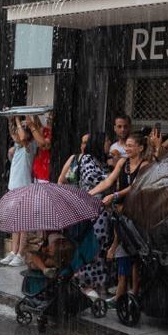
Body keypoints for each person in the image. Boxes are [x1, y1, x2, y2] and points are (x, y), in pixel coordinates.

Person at [91, 132, 150, 308]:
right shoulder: (123, 163)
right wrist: (90, 193)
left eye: (131, 145)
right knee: (122, 253)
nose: (127, 148)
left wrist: (115, 195)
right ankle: (120, 295)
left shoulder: (145, 165)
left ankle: (135, 294)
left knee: (137, 256)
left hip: (139, 215)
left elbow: (135, 186)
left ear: (140, 148)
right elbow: (109, 181)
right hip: (122, 214)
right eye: (127, 145)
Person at [59, 131, 112, 297]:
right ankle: (85, 283)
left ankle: (97, 283)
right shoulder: (86, 160)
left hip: (101, 212)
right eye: (107, 141)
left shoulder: (102, 161)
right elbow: (94, 182)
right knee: (90, 246)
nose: (110, 144)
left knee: (100, 248)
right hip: (91, 210)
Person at [0, 116, 36, 266]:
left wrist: (16, 120)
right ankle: (14, 251)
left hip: (25, 187)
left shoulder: (30, 145)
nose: (18, 134)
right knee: (15, 222)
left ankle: (21, 253)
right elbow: (15, 135)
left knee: (23, 223)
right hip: (14, 187)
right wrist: (11, 121)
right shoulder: (18, 146)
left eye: (22, 129)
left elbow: (21, 136)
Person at [29, 114, 53, 183]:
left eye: (51, 116)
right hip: (37, 173)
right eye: (48, 116)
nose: (48, 118)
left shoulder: (52, 133)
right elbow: (39, 126)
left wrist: (31, 126)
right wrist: (34, 114)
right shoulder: (45, 130)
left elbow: (42, 143)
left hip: (44, 175)